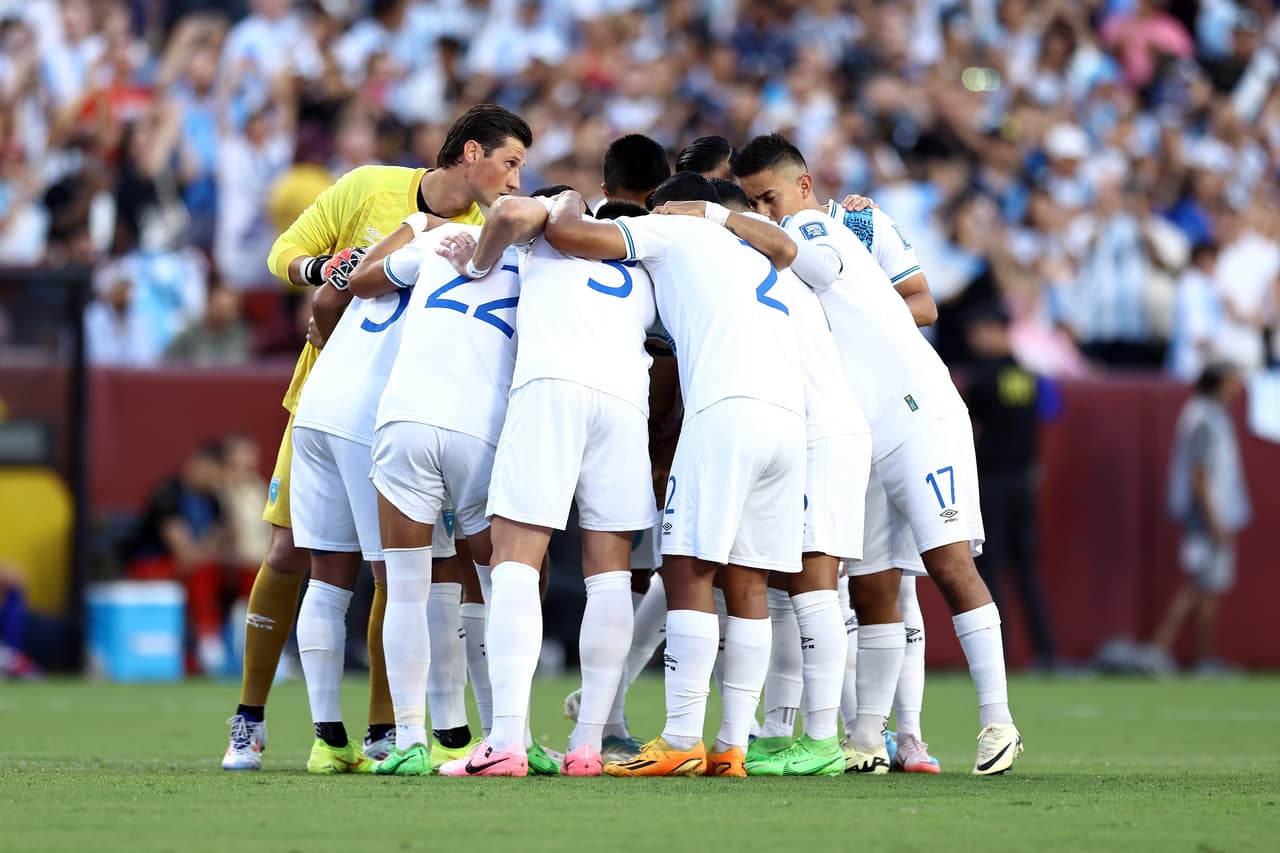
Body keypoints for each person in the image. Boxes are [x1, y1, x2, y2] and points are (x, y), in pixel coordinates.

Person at [220, 103, 532, 771]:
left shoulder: (481, 232)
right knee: (294, 554)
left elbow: (353, 302)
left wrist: (336, 302)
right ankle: (252, 716)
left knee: (391, 569)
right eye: (509, 164)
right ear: (471, 153)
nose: (514, 183)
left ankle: (377, 731)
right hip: (337, 403)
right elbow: (286, 257)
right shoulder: (373, 188)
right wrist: (323, 274)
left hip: (396, 412)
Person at [729, 134, 1022, 776]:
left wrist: (736, 222)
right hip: (856, 431)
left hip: (917, 415)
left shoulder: (828, 227)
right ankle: (866, 739)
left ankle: (998, 720)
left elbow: (849, 276)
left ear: (803, 185)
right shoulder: (772, 245)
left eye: (768, 198)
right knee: (873, 587)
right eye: (752, 202)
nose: (763, 212)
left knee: (947, 565)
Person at [545, 171, 807, 778]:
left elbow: (573, 235)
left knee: (687, 567)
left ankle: (682, 737)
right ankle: (731, 748)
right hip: (787, 422)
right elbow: (789, 250)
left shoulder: (671, 231)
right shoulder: (754, 248)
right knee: (747, 581)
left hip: (725, 410)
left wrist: (559, 203)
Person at [426, 183, 658, 778]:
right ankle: (587, 747)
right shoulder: (644, 275)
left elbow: (510, 213)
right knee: (610, 575)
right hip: (627, 401)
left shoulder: (550, 233)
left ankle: (506, 740)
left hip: (552, 387)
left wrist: (481, 257)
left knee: (515, 560)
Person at [705, 180, 872, 777]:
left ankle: (825, 740)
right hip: (810, 432)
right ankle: (789, 733)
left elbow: (819, 261)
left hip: (823, 431)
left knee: (816, 587)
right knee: (798, 586)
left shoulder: (787, 254)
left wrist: (712, 215)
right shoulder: (767, 271)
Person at [345, 216, 519, 777]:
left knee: (404, 586)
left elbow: (361, 281)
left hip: (405, 419)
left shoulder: (436, 244)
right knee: (501, 584)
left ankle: (411, 740)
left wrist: (412, 231)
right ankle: (504, 736)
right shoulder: (539, 266)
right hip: (481, 429)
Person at [966, 307, 1057, 670]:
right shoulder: (1027, 375)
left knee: (989, 573)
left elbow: (973, 432)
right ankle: (1046, 653)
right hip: (1023, 483)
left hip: (991, 483)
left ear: (997, 330)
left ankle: (997, 657)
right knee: (1025, 571)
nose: (975, 338)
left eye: (981, 330)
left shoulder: (982, 378)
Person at [1150, 363, 1251, 673]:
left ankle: (1201, 656)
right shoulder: (1204, 418)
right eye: (1232, 381)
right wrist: (1214, 520)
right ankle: (1160, 649)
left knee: (1210, 588)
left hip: (1214, 517)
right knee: (1198, 586)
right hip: (1205, 520)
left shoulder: (1213, 415)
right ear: (1218, 384)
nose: (1236, 388)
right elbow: (1199, 476)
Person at [123, 443, 237, 675]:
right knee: (203, 571)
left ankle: (243, 641)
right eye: (214, 472)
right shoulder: (169, 494)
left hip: (195, 568)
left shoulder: (214, 501)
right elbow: (183, 554)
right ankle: (208, 640)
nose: (216, 480)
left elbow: (225, 543)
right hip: (151, 566)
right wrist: (210, 544)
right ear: (198, 465)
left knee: (241, 572)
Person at [165, 285, 252, 366]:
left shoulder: (241, 337)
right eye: (219, 307)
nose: (222, 313)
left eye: (228, 309)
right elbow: (168, 363)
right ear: (209, 304)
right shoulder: (189, 334)